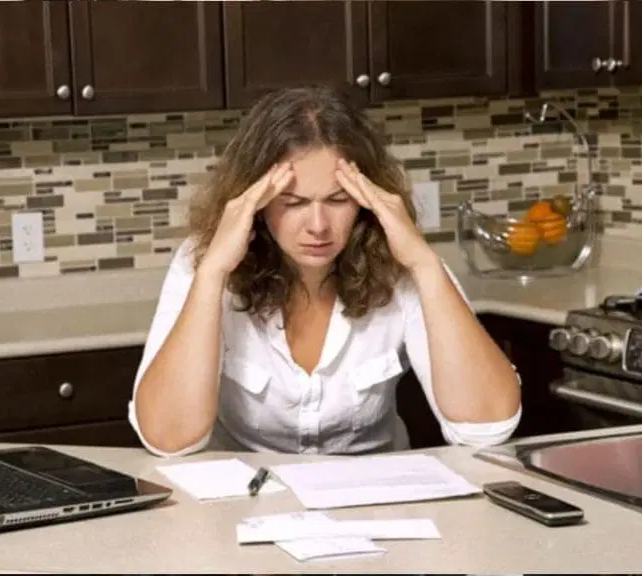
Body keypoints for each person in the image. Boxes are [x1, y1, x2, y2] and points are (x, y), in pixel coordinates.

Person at [128, 85, 522, 457]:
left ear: (366, 198)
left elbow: (487, 426)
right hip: (241, 511)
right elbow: (167, 438)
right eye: (294, 202)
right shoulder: (202, 260)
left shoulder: (400, 259)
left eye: (337, 199)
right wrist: (213, 272)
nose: (318, 225)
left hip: (376, 506)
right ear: (255, 201)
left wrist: (424, 264)